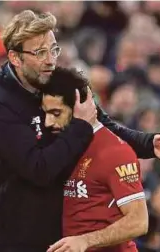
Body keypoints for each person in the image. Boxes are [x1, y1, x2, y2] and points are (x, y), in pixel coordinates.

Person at [0, 10, 160, 252]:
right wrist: (80, 126)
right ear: (15, 57)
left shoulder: (52, 81)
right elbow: (39, 168)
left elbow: (99, 122)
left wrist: (147, 143)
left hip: (50, 238)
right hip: (4, 240)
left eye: (54, 50)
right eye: (39, 52)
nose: (50, 60)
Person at [43, 67, 148, 252]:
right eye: (46, 113)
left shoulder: (115, 152)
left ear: (80, 106)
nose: (48, 122)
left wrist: (86, 240)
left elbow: (139, 221)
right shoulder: (61, 146)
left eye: (56, 113)